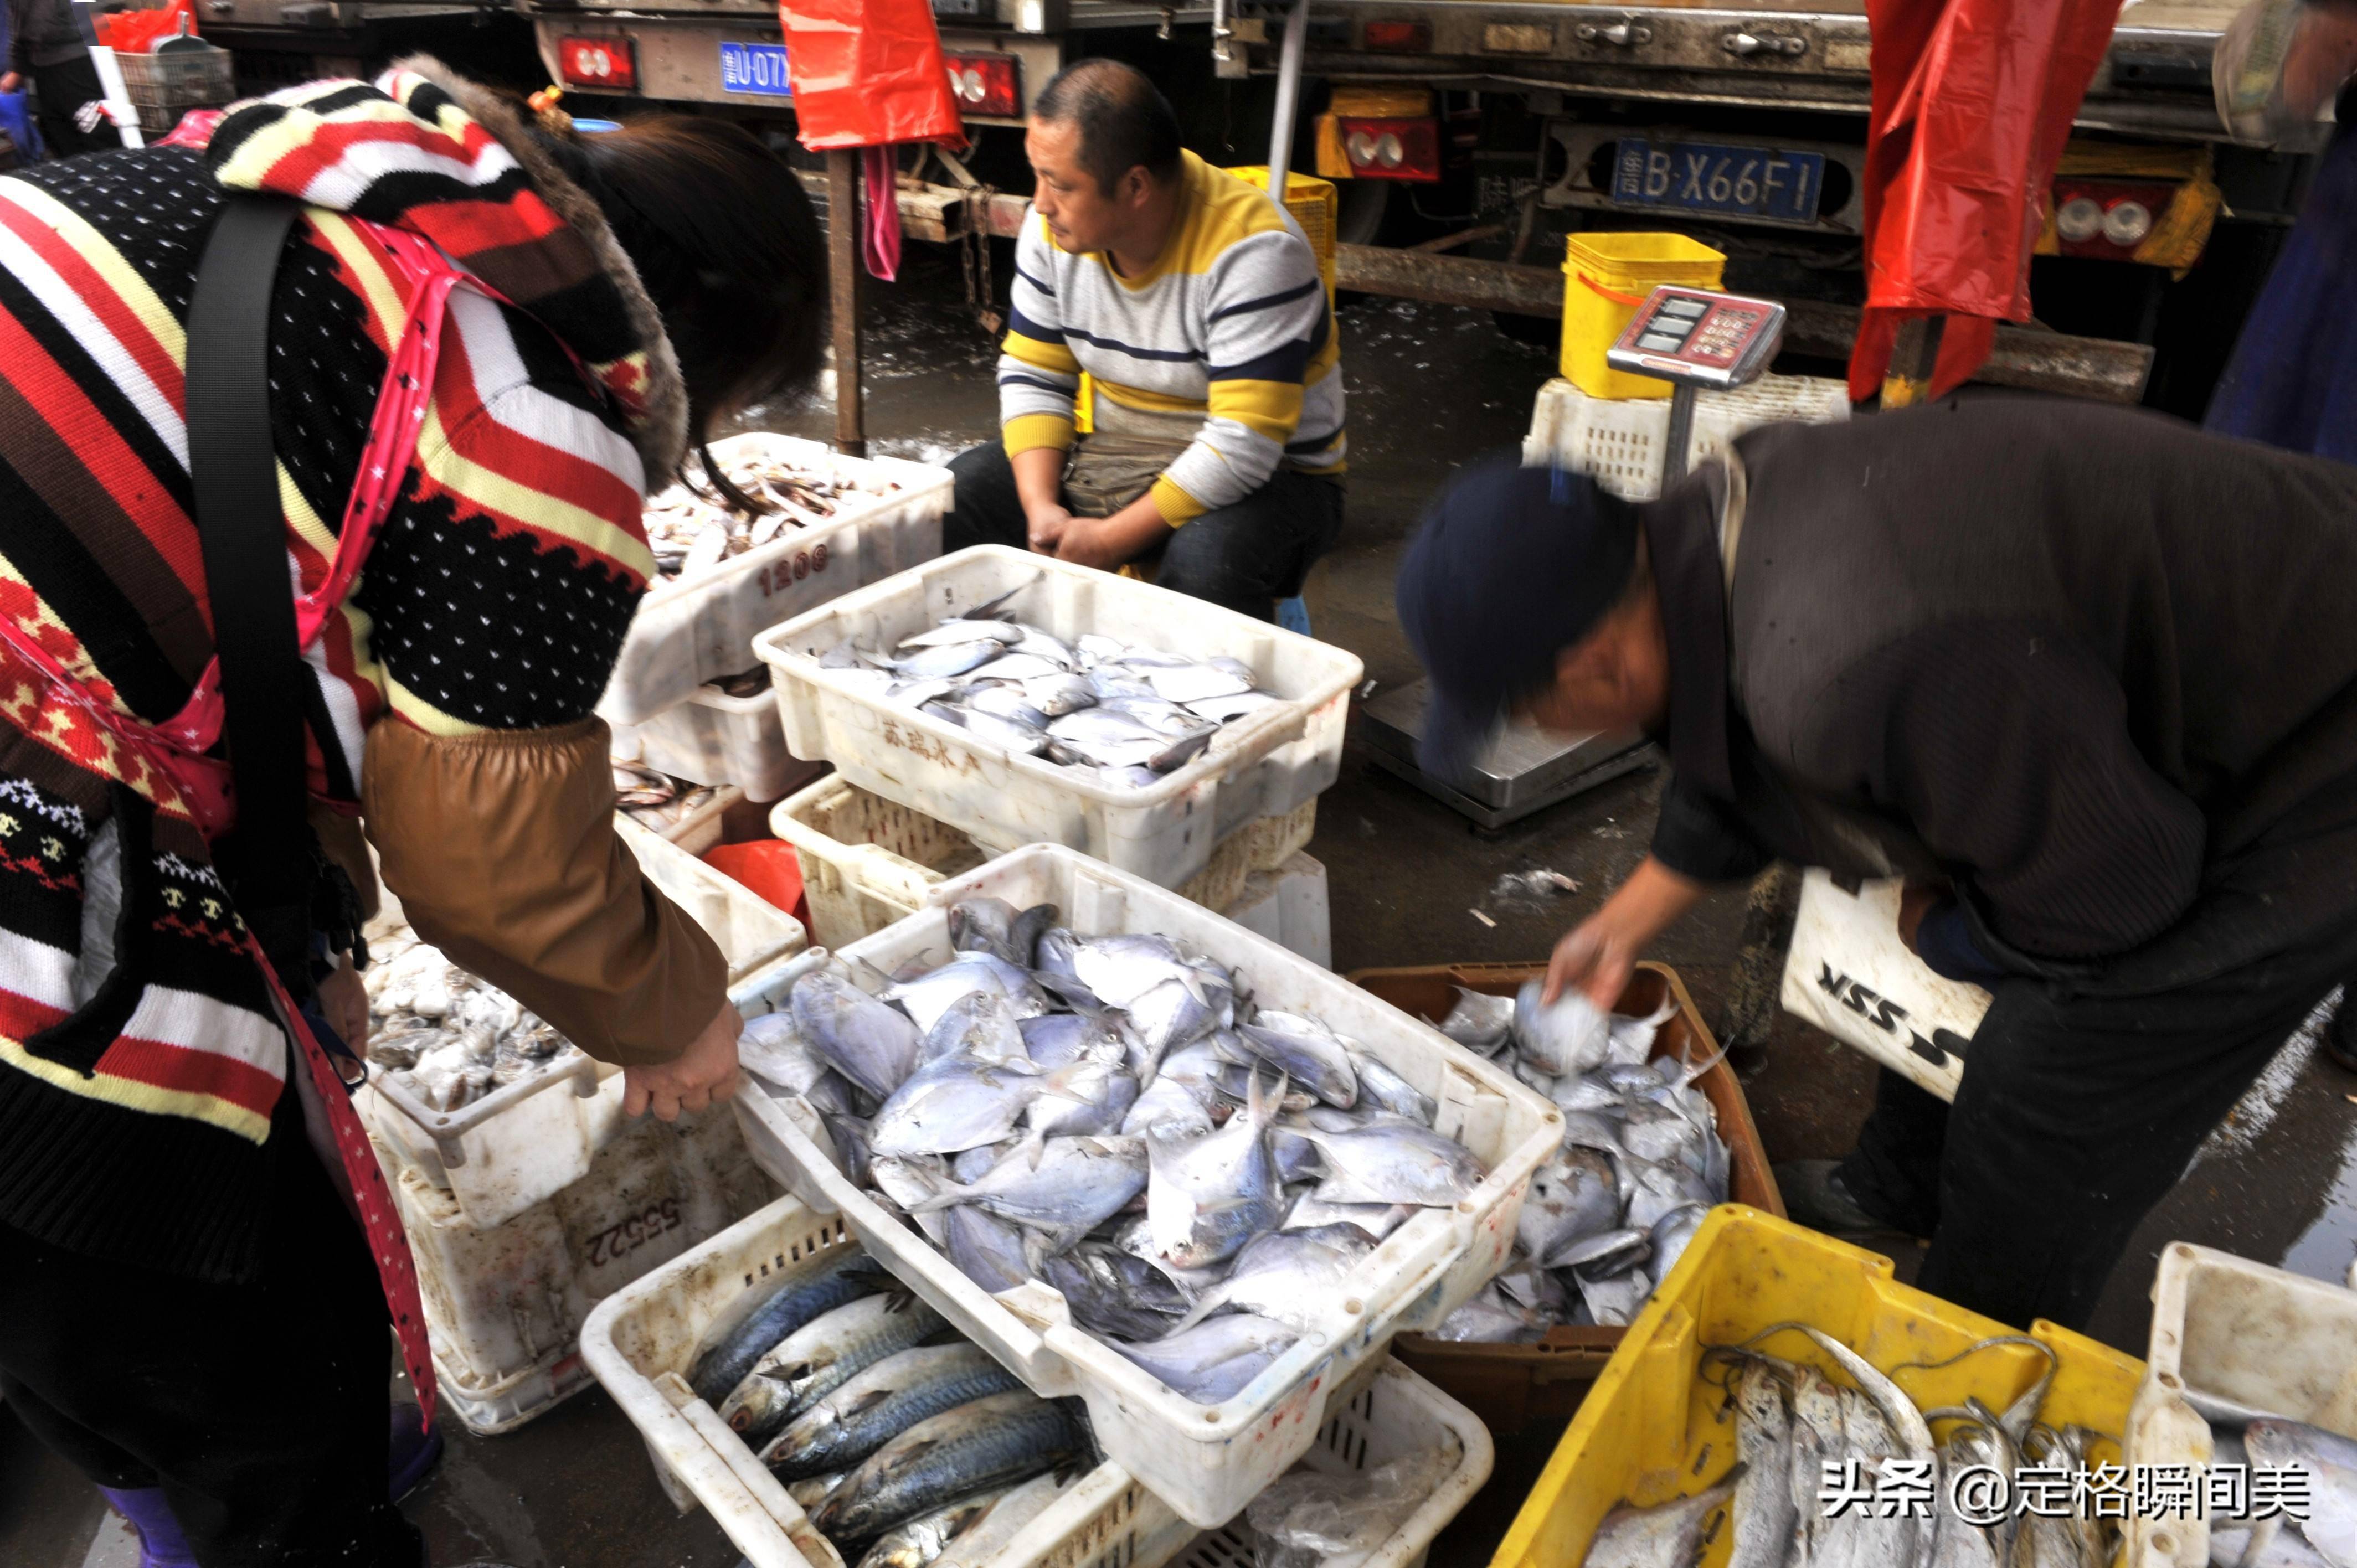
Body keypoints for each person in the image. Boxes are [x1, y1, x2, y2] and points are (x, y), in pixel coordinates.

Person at [0, 63, 824, 1567]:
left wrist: (309, 930)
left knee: (78, 1341)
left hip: (57, 755)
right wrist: (671, 1014)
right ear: (711, 341)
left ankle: (161, 1506)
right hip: (36, 922)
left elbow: (244, 602)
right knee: (249, 1371)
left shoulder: (267, 201)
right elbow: (495, 876)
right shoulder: (516, 407)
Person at [1395, 407, 2357, 1334]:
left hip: (2315, 755)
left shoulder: (1850, 664)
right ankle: (1895, 1189)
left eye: (1520, 706)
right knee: (1979, 915)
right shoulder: (1714, 521)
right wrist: (1631, 915)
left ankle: (1970, 1360)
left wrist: (1942, 930)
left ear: (1592, 663)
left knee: (2053, 1081)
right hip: (2092, 694)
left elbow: (2118, 897)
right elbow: (1721, 723)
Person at [939, 58, 1346, 621]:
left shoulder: (1253, 250)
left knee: (1208, 565)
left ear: (1134, 187)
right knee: (949, 500)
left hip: (1279, 479)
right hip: (1115, 455)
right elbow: (1034, 373)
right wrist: (1041, 510)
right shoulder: (1052, 230)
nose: (1040, 203)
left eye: (1059, 184)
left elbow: (1242, 446)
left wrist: (1108, 540)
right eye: (1038, 177)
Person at [1, 0, 106, 156]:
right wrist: (19, 68)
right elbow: (20, 24)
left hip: (75, 63)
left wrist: (19, 69)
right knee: (61, 138)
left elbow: (41, 27)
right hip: (46, 67)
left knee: (95, 134)